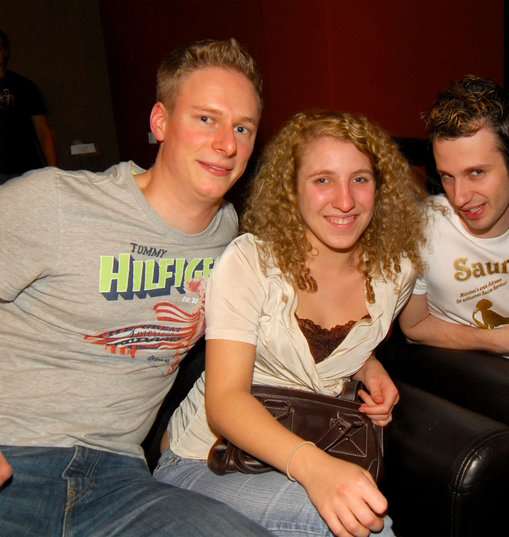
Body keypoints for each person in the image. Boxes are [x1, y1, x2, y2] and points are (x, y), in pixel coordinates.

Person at [0, 38, 272, 536]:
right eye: (206, 119)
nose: (226, 144)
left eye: (242, 128)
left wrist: (365, 362)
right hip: (14, 459)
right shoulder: (56, 203)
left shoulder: (231, 238)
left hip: (119, 483)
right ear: (161, 122)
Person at [153, 110, 427, 537]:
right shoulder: (251, 262)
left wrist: (368, 366)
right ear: (291, 189)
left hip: (314, 455)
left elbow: (333, 348)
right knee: (360, 525)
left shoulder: (396, 273)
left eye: (360, 179)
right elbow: (225, 401)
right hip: (206, 460)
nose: (345, 201)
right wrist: (315, 469)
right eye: (322, 180)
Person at [398, 75, 509, 365]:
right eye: (447, 176)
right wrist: (503, 340)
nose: (459, 197)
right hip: (483, 370)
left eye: (476, 173)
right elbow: (414, 327)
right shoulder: (420, 230)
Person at [0, 28, 58, 183]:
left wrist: (53, 171)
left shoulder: (24, 87)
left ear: (5, 52)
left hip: (24, 170)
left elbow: (43, 131)